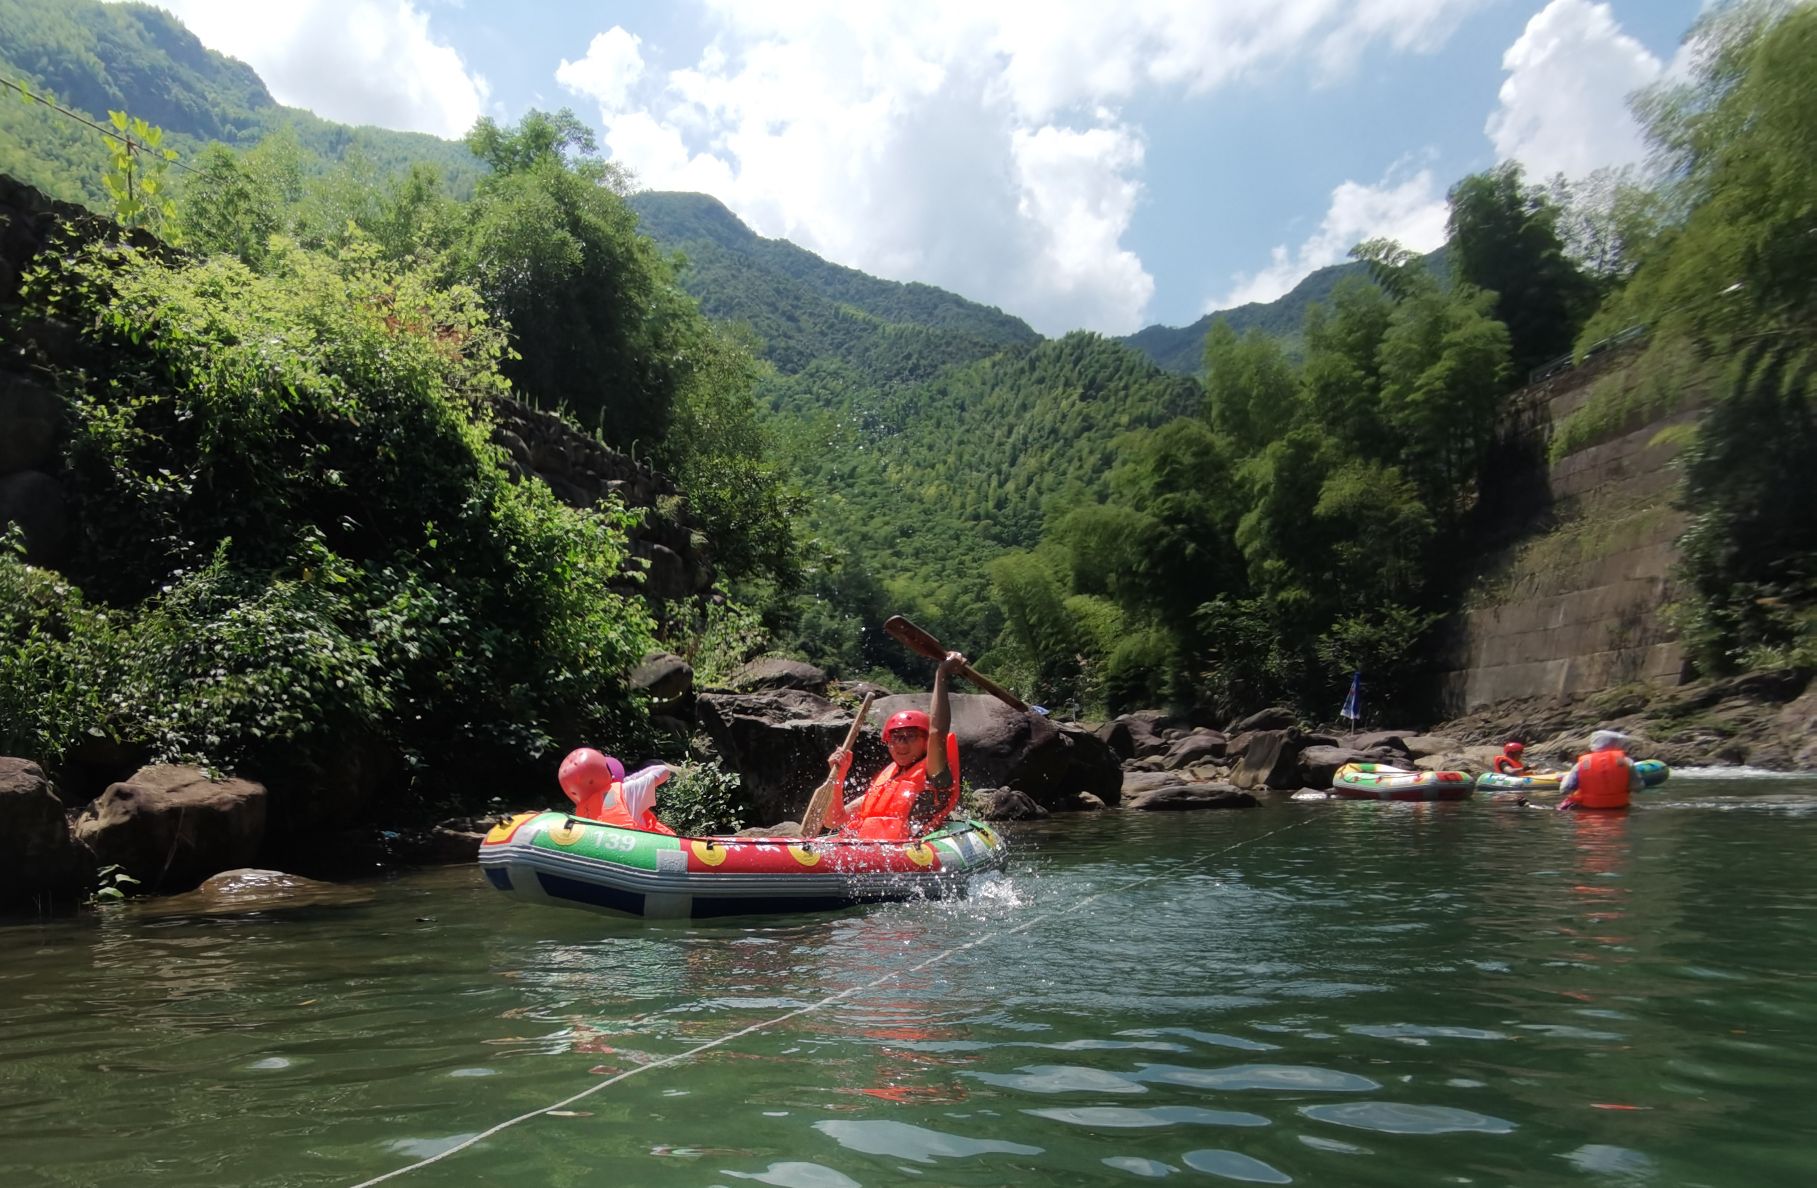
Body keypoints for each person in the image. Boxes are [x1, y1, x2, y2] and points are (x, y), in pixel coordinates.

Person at [821, 651, 965, 841]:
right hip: (873, 853)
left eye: (910, 736)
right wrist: (838, 776)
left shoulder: (934, 772)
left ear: (926, 742)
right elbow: (833, 820)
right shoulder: (888, 781)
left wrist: (942, 674)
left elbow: (937, 732)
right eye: (895, 738)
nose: (901, 743)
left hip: (912, 853)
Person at [558, 747, 677, 834]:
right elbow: (662, 771)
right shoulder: (626, 790)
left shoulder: (583, 811)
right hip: (647, 853)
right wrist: (627, 780)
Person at [1557, 730, 1643, 811]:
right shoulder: (1626, 762)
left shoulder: (1582, 764)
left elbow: (1565, 789)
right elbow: (1638, 788)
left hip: (1589, 809)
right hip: (1620, 808)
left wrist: (1566, 777)